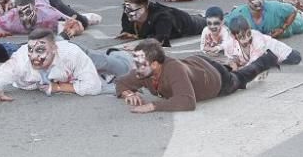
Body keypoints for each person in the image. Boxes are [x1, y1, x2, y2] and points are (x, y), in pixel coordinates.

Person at [114, 39, 278, 113]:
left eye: (140, 64)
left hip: (216, 80)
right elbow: (121, 82)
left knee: (240, 78)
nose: (135, 68)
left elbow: (187, 102)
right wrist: (128, 93)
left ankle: (268, 58)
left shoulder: (172, 70)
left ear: (155, 64)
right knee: (225, 68)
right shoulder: (143, 71)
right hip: (197, 64)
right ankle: (229, 64)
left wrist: (152, 106)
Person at [0, 29, 104, 103]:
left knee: (109, 64)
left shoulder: (72, 54)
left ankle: (117, 53)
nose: (33, 57)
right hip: (64, 66)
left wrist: (58, 87)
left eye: (39, 50)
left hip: (76, 53)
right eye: (30, 49)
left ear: (54, 49)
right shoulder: (20, 61)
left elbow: (94, 86)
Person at [117, 0, 205, 47]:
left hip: (185, 22)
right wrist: (129, 33)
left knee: (208, 21)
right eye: (126, 8)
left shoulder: (161, 17)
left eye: (131, 9)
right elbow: (128, 29)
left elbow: (161, 40)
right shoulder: (127, 13)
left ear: (145, 7)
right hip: (173, 18)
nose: (127, 12)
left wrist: (139, 47)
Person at [227, 0, 303, 39]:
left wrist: (282, 29)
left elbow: (293, 11)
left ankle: (302, 14)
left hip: (299, 21)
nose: (258, 1)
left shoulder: (274, 7)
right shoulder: (238, 13)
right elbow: (223, 23)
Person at [224, 17, 301, 68]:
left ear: (250, 29)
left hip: (288, 54)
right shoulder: (231, 42)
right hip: (267, 55)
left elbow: (254, 61)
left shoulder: (257, 38)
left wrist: (240, 68)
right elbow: (232, 56)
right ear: (234, 37)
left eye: (249, 34)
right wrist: (234, 62)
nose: (247, 39)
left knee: (295, 57)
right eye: (242, 37)